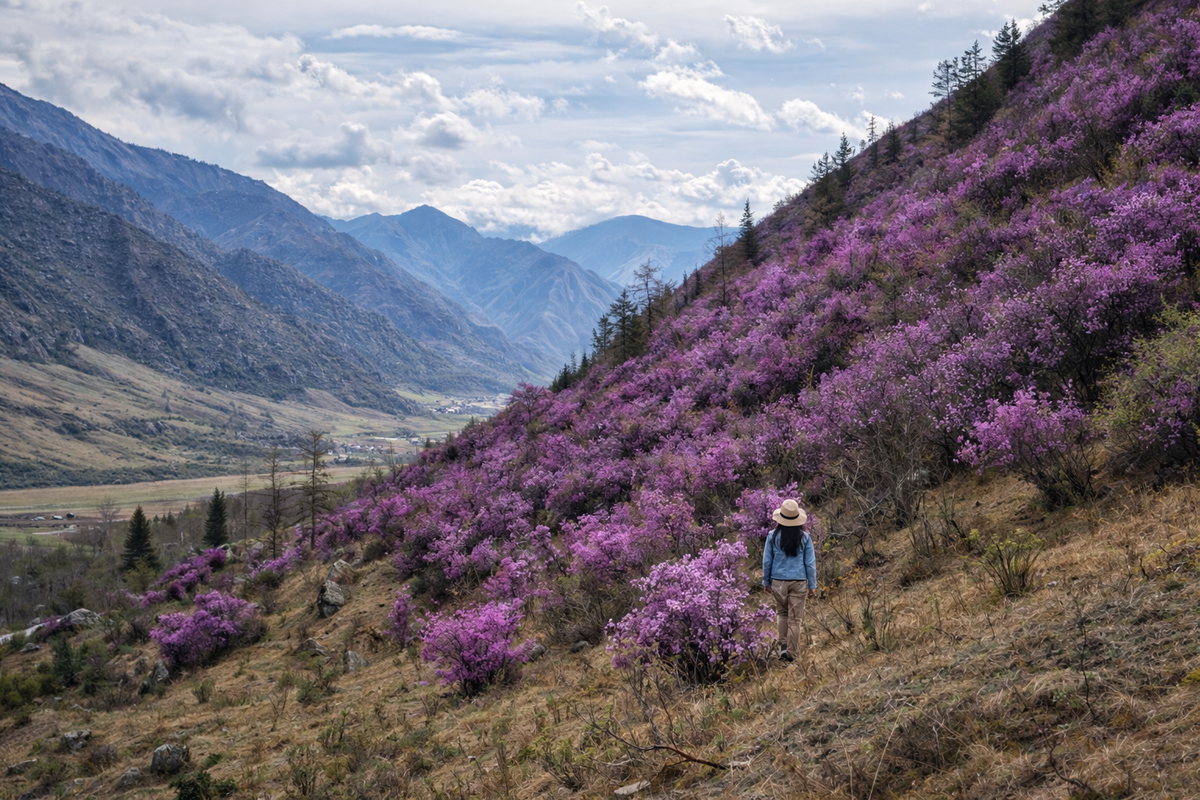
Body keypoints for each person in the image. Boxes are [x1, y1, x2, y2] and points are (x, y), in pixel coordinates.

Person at [761, 499, 817, 663]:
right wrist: (812, 585)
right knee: (795, 619)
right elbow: (810, 564)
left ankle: (783, 647)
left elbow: (767, 561)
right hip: (799, 581)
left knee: (782, 614)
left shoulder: (772, 536)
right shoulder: (805, 537)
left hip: (778, 581)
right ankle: (792, 654)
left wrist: (766, 581)